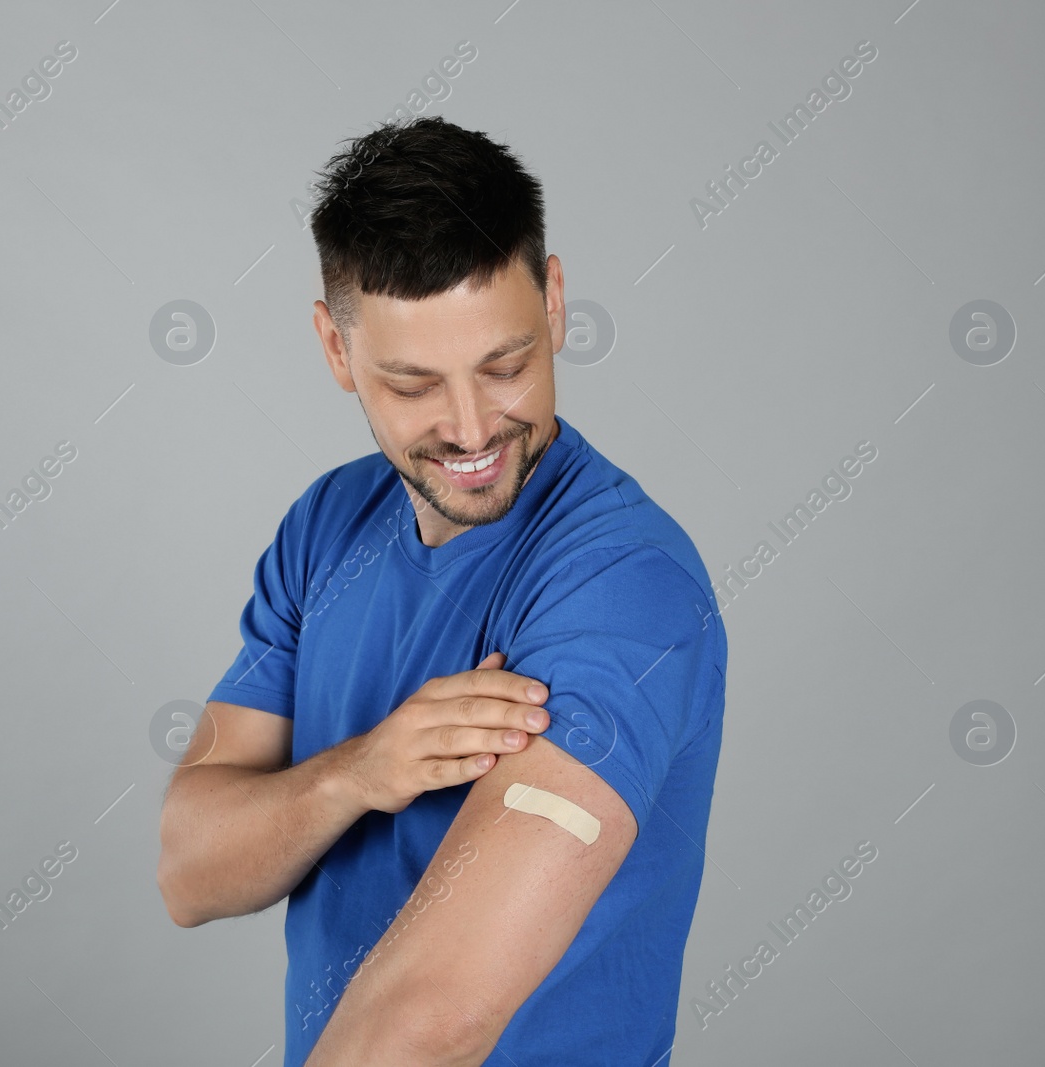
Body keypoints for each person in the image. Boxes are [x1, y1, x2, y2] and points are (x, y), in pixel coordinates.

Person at [157, 115, 728, 1066]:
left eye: (505, 366)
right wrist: (357, 772)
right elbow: (189, 869)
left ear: (553, 302)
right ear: (337, 352)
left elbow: (427, 1025)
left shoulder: (623, 586)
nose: (471, 429)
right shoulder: (326, 528)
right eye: (415, 384)